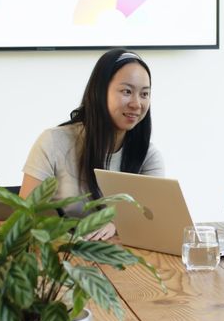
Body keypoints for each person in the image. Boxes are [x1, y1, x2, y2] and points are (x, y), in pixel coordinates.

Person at [11, 48, 165, 240]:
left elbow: (153, 220)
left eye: (144, 94)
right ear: (100, 92)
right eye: (127, 91)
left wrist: (116, 225)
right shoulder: (53, 142)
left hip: (126, 262)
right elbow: (27, 214)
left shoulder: (148, 156)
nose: (136, 103)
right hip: (62, 258)